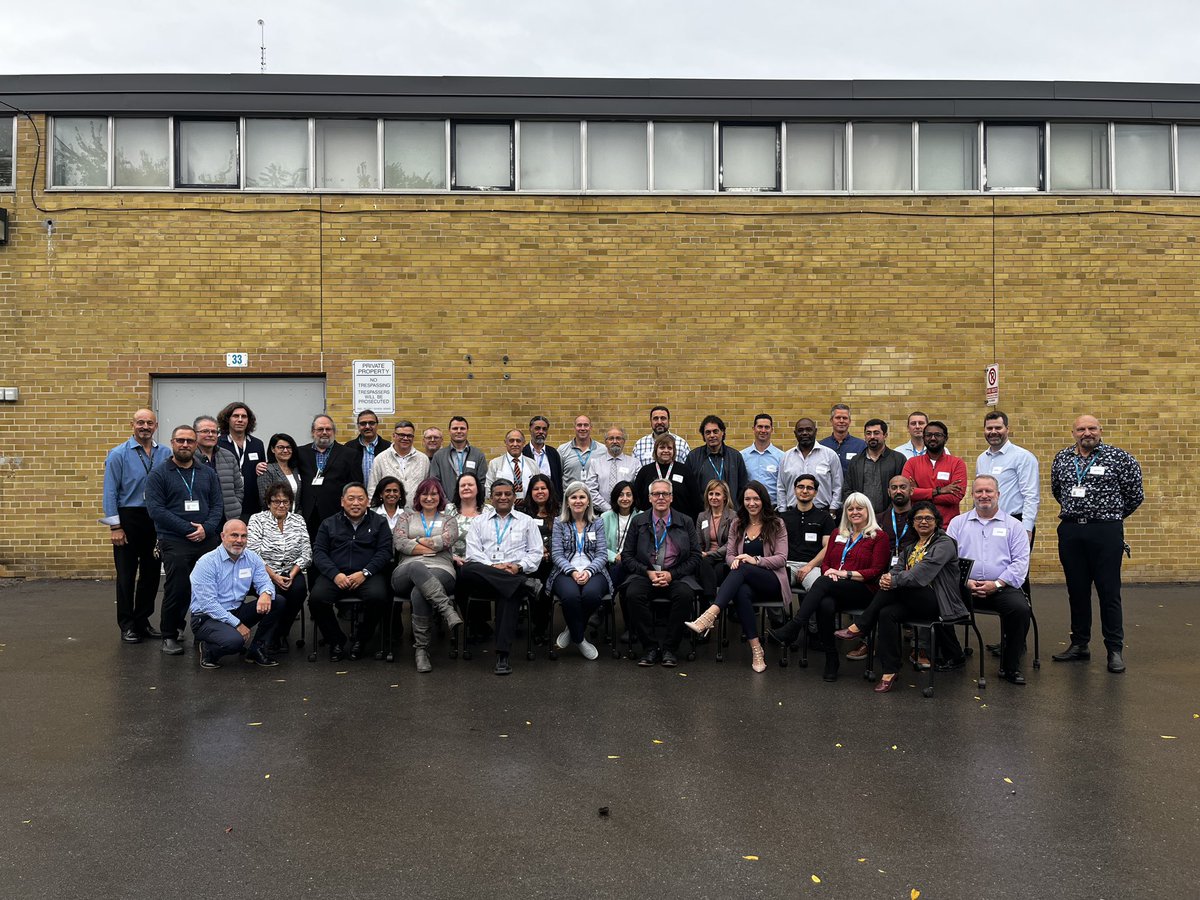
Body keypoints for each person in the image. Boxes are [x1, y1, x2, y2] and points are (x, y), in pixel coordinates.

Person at [833, 500, 966, 694]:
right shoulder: (911, 547)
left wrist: (892, 581)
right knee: (887, 613)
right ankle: (890, 671)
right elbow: (896, 569)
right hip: (912, 598)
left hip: (938, 601)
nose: (923, 522)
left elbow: (921, 574)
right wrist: (889, 578)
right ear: (912, 522)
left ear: (937, 521)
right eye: (918, 518)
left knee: (893, 587)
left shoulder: (944, 543)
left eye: (928, 518)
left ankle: (861, 625)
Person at [1050, 414, 1143, 674]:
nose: (1086, 433)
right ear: (1073, 433)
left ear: (1100, 430)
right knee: (1077, 591)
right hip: (1071, 530)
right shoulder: (1062, 458)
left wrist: (1111, 517)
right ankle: (1080, 644)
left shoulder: (1119, 458)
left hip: (1106, 531)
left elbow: (1135, 494)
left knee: (1108, 592)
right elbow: (1057, 490)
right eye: (1081, 429)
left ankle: (1114, 650)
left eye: (1091, 428)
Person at [767, 492, 890, 682]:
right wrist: (831, 572)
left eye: (859, 508)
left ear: (868, 511)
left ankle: (794, 626)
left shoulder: (878, 536)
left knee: (822, 582)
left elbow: (876, 570)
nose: (854, 512)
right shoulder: (838, 533)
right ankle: (831, 658)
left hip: (863, 589)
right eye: (850, 509)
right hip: (834, 585)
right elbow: (826, 563)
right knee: (825, 603)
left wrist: (845, 574)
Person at [685, 481, 788, 673]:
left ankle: (710, 615)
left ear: (763, 500)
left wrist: (754, 560)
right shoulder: (738, 524)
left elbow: (781, 559)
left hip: (771, 580)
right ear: (742, 501)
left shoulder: (776, 523)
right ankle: (757, 650)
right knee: (741, 591)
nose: (752, 503)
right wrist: (736, 560)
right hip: (747, 582)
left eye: (756, 498)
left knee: (743, 567)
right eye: (748, 499)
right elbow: (730, 554)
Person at [947, 476, 1033, 685]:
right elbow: (948, 560)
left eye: (989, 491)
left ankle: (1010, 666)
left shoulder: (1014, 526)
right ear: (972, 495)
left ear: (998, 495)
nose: (984, 495)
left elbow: (1021, 562)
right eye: (979, 492)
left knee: (1020, 609)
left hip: (1001, 588)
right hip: (964, 587)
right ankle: (954, 655)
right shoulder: (958, 523)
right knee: (936, 600)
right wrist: (964, 582)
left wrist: (996, 584)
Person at [145, 425, 222, 655]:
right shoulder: (159, 474)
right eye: (180, 440)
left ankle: (208, 631)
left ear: (196, 444)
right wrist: (188, 529)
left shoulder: (207, 473)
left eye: (189, 441)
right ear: (172, 443)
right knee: (177, 588)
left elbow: (217, 505)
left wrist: (207, 529)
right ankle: (170, 633)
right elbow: (156, 510)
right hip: (174, 540)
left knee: (211, 588)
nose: (185, 445)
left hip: (206, 539)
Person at [457, 479, 544, 675]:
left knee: (508, 592)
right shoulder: (479, 522)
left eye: (507, 494)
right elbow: (473, 553)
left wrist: (517, 567)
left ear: (514, 497)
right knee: (467, 570)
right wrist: (494, 568)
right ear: (491, 497)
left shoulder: (526, 521)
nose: (503, 497)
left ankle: (502, 656)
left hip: (513, 574)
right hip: (487, 578)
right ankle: (524, 585)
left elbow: (536, 552)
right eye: (498, 494)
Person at [102, 407, 172, 643]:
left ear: (156, 426)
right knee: (126, 575)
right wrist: (115, 527)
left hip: (155, 519)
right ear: (132, 425)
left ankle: (143, 621)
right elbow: (110, 492)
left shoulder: (165, 453)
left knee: (152, 575)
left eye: (149, 423)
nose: (145, 427)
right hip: (128, 518)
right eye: (140, 423)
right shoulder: (118, 454)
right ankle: (127, 624)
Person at [621, 478, 702, 668]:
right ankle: (649, 648)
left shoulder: (686, 521)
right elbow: (627, 556)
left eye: (665, 494)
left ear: (671, 498)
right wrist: (647, 572)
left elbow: (696, 556)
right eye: (656, 494)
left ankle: (669, 649)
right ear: (649, 498)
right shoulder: (638, 521)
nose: (661, 497)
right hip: (645, 575)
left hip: (676, 576)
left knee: (685, 595)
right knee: (632, 594)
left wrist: (672, 574)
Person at [307, 483, 393, 661]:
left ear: (367, 502)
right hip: (335, 575)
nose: (356, 503)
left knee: (379, 597)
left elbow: (384, 552)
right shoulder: (328, 523)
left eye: (360, 499)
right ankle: (336, 640)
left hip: (367, 574)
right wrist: (335, 574)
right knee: (316, 599)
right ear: (342, 501)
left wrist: (366, 572)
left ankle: (361, 639)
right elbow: (319, 552)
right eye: (351, 498)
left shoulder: (379, 522)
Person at [189, 519, 282, 669]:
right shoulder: (206, 563)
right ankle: (209, 650)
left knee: (277, 601)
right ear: (222, 536)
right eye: (234, 535)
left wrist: (266, 592)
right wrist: (237, 624)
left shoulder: (252, 558)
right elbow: (208, 605)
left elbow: (265, 581)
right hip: (207, 617)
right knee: (236, 642)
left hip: (236, 610)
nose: (239, 540)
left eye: (243, 536)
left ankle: (257, 649)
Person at [391, 478, 462, 673]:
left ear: (440, 497)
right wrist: (431, 546)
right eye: (425, 493)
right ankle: (446, 609)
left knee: (419, 592)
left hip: (442, 570)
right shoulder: (406, 517)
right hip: (406, 570)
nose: (429, 497)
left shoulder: (449, 519)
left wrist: (417, 540)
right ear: (418, 496)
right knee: (416, 567)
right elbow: (400, 543)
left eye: (433, 494)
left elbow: (448, 539)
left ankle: (421, 650)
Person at [975, 410, 1040, 601]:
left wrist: (1026, 528)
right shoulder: (982, 458)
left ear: (1007, 429)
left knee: (1018, 575)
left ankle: (1020, 615)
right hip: (987, 522)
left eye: (998, 427)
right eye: (989, 428)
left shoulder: (1023, 457)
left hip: (1015, 522)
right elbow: (979, 493)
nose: (993, 431)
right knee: (992, 568)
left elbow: (1031, 494)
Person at [246, 480, 311, 654]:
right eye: (276, 501)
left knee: (298, 590)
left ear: (291, 503)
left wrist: (292, 573)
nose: (281, 505)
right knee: (277, 592)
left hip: (291, 571)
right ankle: (270, 634)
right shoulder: (257, 519)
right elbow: (252, 553)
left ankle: (281, 633)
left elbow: (306, 553)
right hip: (264, 572)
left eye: (286, 501)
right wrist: (274, 576)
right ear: (268, 502)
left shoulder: (298, 520)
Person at [549, 480, 612, 660]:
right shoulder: (559, 523)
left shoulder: (597, 522)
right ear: (567, 501)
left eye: (582, 497)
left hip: (594, 571)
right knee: (570, 597)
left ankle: (571, 629)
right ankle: (580, 639)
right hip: (565, 572)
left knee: (591, 596)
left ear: (588, 501)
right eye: (574, 497)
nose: (578, 501)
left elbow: (601, 554)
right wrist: (573, 572)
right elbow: (557, 555)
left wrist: (589, 571)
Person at [296, 414, 359, 540]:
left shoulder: (349, 454)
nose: (324, 432)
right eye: (320, 429)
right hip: (307, 514)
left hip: (336, 513)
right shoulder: (300, 453)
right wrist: (262, 465)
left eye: (328, 429)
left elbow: (355, 485)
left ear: (334, 432)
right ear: (313, 432)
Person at [517, 473, 560, 644]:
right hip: (529, 562)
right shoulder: (522, 512)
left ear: (549, 490)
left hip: (553, 563)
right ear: (530, 492)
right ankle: (537, 625)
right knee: (534, 583)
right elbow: (516, 539)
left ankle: (541, 627)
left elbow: (565, 537)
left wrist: (550, 551)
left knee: (545, 585)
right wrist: (536, 551)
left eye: (543, 488)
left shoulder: (559, 512)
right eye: (536, 489)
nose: (540, 492)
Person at [901, 420, 966, 528]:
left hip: (947, 527)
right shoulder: (912, 463)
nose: (932, 438)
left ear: (946, 438)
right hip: (918, 527)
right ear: (923, 438)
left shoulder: (957, 463)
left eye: (938, 435)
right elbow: (907, 493)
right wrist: (939, 491)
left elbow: (955, 497)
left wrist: (920, 495)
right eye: (928, 435)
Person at [448, 472, 489, 638]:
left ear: (478, 488)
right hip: (454, 560)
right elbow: (441, 536)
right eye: (462, 485)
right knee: (459, 578)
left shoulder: (488, 510)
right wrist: (452, 557)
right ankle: (474, 624)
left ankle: (477, 624)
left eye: (470, 484)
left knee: (472, 576)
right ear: (457, 490)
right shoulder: (449, 510)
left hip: (482, 560)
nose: (466, 488)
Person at [780, 474, 835, 593]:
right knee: (773, 586)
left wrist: (809, 566)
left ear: (815, 492)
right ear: (795, 490)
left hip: (814, 567)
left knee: (818, 590)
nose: (804, 491)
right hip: (788, 565)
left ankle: (805, 612)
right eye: (800, 487)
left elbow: (828, 547)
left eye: (809, 488)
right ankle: (784, 613)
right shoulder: (783, 518)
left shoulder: (825, 517)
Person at [776, 417, 843, 514]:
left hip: (823, 513)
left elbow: (838, 486)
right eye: (800, 430)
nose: (804, 433)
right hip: (792, 514)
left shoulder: (830, 455)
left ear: (815, 431)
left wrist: (832, 510)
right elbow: (781, 487)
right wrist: (782, 512)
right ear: (795, 433)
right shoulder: (786, 457)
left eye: (808, 430)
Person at [844, 418, 907, 513]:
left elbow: (903, 488)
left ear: (885, 435)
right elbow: (847, 489)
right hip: (862, 516)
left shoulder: (898, 459)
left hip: (889, 515)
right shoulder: (856, 461)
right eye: (868, 433)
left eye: (876, 433)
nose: (872, 436)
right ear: (865, 436)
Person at [217, 402, 267, 518]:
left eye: (244, 417)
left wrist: (260, 466)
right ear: (227, 419)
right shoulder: (218, 444)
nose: (240, 420)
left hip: (252, 505)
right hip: (227, 505)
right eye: (235, 416)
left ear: (249, 421)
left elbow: (263, 473)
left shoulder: (257, 444)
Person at [686, 414, 749, 507]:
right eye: (708, 432)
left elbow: (743, 487)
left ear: (722, 432)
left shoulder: (735, 457)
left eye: (715, 431)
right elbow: (688, 488)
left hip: (731, 514)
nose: (712, 435)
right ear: (703, 435)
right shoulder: (693, 457)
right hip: (703, 514)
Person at [633, 433, 700, 517]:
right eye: (662, 447)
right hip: (649, 524)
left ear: (674, 451)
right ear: (656, 450)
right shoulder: (645, 471)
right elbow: (636, 499)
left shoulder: (685, 471)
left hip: (680, 524)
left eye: (669, 448)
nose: (666, 451)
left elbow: (695, 500)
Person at [194, 415, 243, 523]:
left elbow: (239, 488)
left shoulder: (228, 456)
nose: (210, 435)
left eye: (214, 431)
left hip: (227, 518)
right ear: (195, 434)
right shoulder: (189, 458)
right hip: (201, 520)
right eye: (205, 431)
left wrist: (236, 505)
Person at [368, 420, 430, 505]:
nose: (405, 438)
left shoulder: (423, 460)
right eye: (401, 435)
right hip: (388, 514)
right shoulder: (380, 459)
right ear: (394, 436)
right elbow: (372, 488)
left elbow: (427, 488)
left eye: (409, 435)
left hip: (416, 513)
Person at [694, 478, 736, 603]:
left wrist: (708, 554)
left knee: (706, 569)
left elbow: (731, 544)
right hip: (705, 559)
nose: (713, 497)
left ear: (725, 497)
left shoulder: (733, 516)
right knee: (702, 566)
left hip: (725, 558)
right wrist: (701, 553)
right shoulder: (702, 516)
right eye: (711, 494)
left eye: (717, 494)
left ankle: (708, 604)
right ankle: (712, 606)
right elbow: (698, 542)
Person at [556, 415, 603, 509]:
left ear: (591, 427)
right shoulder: (562, 450)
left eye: (586, 425)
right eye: (579, 425)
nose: (582, 428)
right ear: (574, 428)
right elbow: (558, 477)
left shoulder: (602, 450)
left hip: (595, 505)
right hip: (570, 504)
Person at [430, 415, 487, 492]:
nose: (459, 431)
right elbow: (435, 483)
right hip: (446, 503)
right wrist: (447, 503)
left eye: (462, 428)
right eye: (455, 428)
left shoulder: (478, 455)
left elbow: (482, 483)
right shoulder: (439, 456)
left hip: (471, 503)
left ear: (467, 430)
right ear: (449, 431)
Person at [590, 426, 639, 512]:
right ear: (605, 442)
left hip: (627, 512)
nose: (615, 441)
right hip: (601, 513)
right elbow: (591, 489)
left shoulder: (635, 463)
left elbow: (638, 488)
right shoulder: (596, 463)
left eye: (618, 438)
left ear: (624, 441)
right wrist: (607, 509)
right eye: (611, 438)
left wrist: (626, 507)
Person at [599, 480, 636, 589]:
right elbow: (600, 546)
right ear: (615, 497)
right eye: (621, 495)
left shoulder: (641, 516)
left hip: (634, 561)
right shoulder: (605, 517)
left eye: (629, 495)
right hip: (612, 561)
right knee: (618, 567)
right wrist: (614, 556)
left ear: (634, 498)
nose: (625, 498)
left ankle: (611, 597)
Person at [741, 413, 783, 503]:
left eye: (767, 427)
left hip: (773, 509)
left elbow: (783, 486)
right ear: (753, 429)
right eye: (760, 427)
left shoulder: (781, 457)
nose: (763, 430)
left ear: (772, 430)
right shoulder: (742, 456)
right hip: (749, 507)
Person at [820, 403, 868, 478]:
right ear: (831, 421)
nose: (841, 421)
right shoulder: (822, 446)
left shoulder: (861, 446)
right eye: (838, 418)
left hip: (852, 489)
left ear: (849, 421)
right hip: (828, 489)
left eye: (845, 418)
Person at [257, 432, 303, 508]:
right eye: (281, 447)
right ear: (273, 449)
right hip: (275, 517)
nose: (285, 450)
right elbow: (264, 500)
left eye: (289, 447)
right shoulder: (266, 470)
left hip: (296, 516)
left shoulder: (296, 469)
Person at [487, 429, 535, 500]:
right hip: (504, 508)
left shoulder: (532, 464)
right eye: (511, 441)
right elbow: (488, 490)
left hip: (529, 508)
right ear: (505, 443)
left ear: (524, 443)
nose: (515, 444)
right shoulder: (494, 464)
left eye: (518, 441)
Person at [523, 415, 563, 494]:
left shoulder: (553, 453)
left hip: (551, 500)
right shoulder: (523, 452)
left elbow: (558, 479)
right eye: (537, 428)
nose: (541, 432)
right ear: (530, 429)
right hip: (528, 499)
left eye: (544, 429)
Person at [349, 410, 389, 485]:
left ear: (377, 425)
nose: (367, 426)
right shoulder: (348, 448)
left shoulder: (388, 448)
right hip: (357, 495)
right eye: (363, 423)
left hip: (381, 495)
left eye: (371, 423)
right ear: (358, 426)